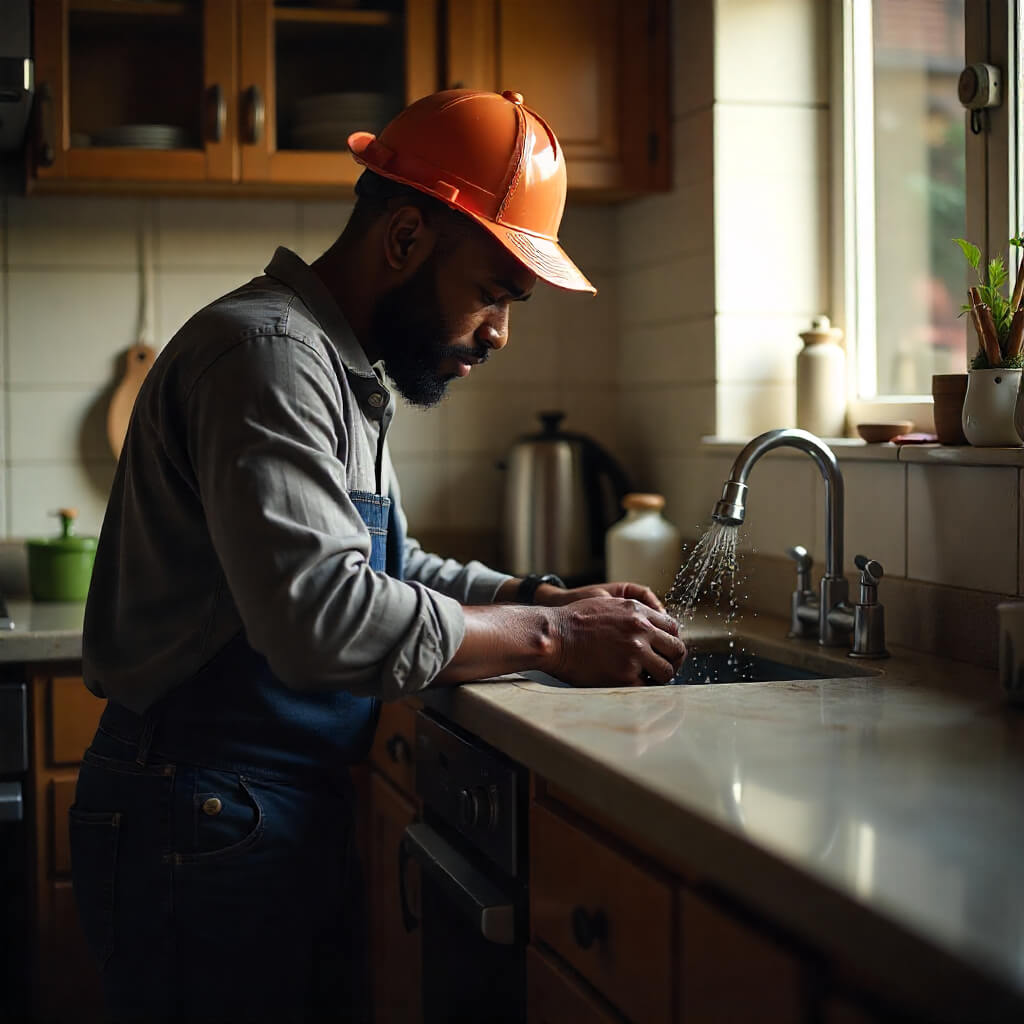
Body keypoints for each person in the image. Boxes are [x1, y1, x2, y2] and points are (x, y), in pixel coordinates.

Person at [70, 89, 686, 1023]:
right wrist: (553, 637)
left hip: (248, 806)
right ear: (404, 241)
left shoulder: (336, 364)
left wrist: (544, 594)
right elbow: (325, 619)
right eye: (492, 293)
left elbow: (384, 568)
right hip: (197, 810)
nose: (499, 334)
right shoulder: (270, 357)